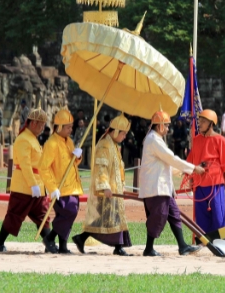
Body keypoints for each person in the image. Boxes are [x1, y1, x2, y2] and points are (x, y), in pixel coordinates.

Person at [138, 109, 205, 257]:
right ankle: (148, 249)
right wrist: (193, 168)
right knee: (158, 217)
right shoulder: (154, 140)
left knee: (174, 215)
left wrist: (185, 171)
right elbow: (171, 158)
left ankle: (182, 246)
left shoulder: (156, 139)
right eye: (166, 125)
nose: (168, 129)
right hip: (156, 188)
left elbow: (166, 164)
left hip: (163, 188)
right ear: (159, 126)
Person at [0, 107, 55, 253]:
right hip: (24, 186)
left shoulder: (32, 139)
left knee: (42, 215)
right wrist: (33, 184)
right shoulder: (23, 139)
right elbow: (25, 165)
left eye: (43, 124)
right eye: (39, 124)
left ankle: (49, 243)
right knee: (14, 215)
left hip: (37, 184)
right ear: (32, 123)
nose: (42, 127)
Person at [73, 115, 133, 256]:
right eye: (124, 133)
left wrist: (121, 184)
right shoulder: (105, 145)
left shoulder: (113, 145)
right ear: (117, 132)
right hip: (107, 189)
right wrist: (105, 186)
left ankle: (81, 238)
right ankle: (118, 246)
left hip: (114, 188)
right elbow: (101, 167)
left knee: (107, 217)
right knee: (111, 217)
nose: (125, 137)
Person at [40, 109, 83, 254]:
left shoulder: (69, 141)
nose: (71, 130)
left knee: (68, 215)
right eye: (68, 127)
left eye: (71, 126)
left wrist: (77, 157)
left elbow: (72, 163)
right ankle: (50, 238)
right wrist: (52, 188)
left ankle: (63, 245)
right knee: (68, 212)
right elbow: (43, 168)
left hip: (73, 185)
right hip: (60, 187)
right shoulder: (51, 144)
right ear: (59, 127)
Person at [186, 109, 225, 235]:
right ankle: (203, 241)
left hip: (215, 184)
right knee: (201, 215)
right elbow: (191, 161)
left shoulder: (220, 140)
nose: (200, 124)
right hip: (199, 183)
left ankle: (222, 239)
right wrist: (191, 180)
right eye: (199, 121)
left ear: (211, 124)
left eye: (203, 121)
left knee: (218, 214)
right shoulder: (196, 140)